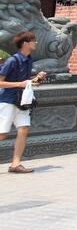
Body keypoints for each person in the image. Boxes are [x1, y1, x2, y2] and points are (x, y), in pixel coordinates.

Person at [0, 31, 48, 173]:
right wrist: (19, 84)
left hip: (22, 101)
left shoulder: (29, 60)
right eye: (33, 41)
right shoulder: (12, 61)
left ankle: (15, 164)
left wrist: (36, 79)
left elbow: (25, 82)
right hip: (8, 100)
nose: (36, 43)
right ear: (25, 43)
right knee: (2, 134)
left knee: (24, 129)